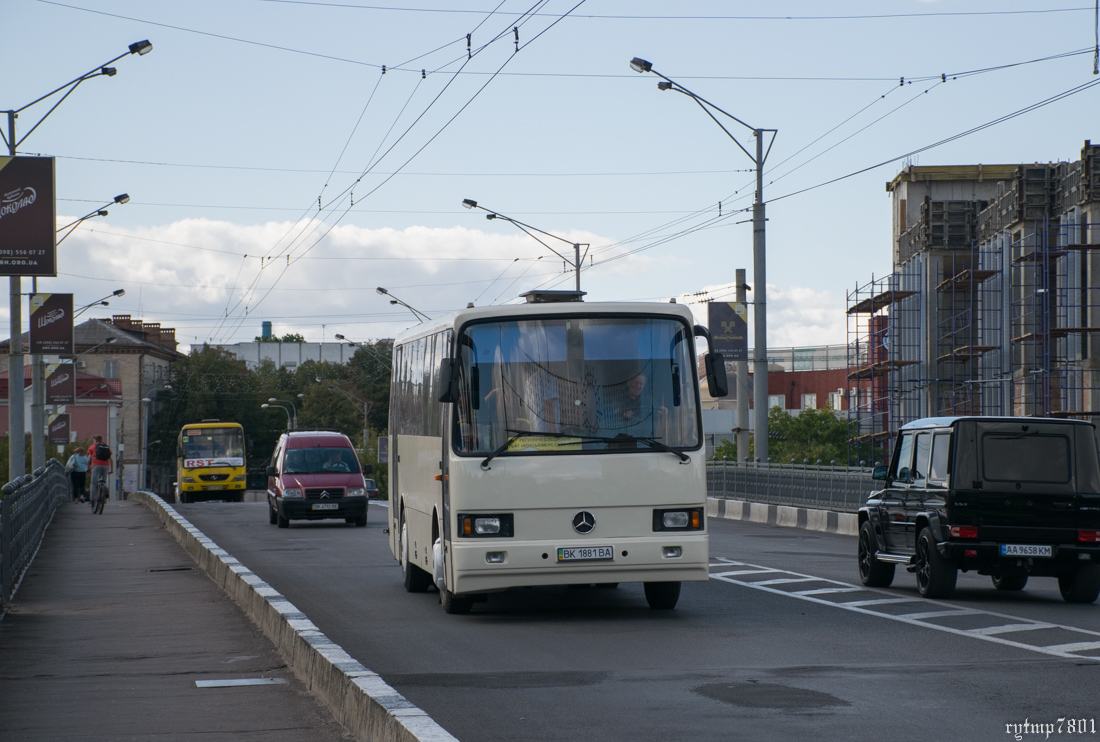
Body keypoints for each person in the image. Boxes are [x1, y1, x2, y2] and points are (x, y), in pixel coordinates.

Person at [87, 435, 113, 506]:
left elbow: (89, 459)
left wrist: (88, 468)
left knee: (93, 483)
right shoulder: (106, 447)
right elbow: (110, 460)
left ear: (95, 441)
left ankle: (92, 501)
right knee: (103, 481)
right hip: (105, 466)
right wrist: (111, 469)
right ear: (101, 440)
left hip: (96, 465)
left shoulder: (92, 447)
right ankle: (104, 495)